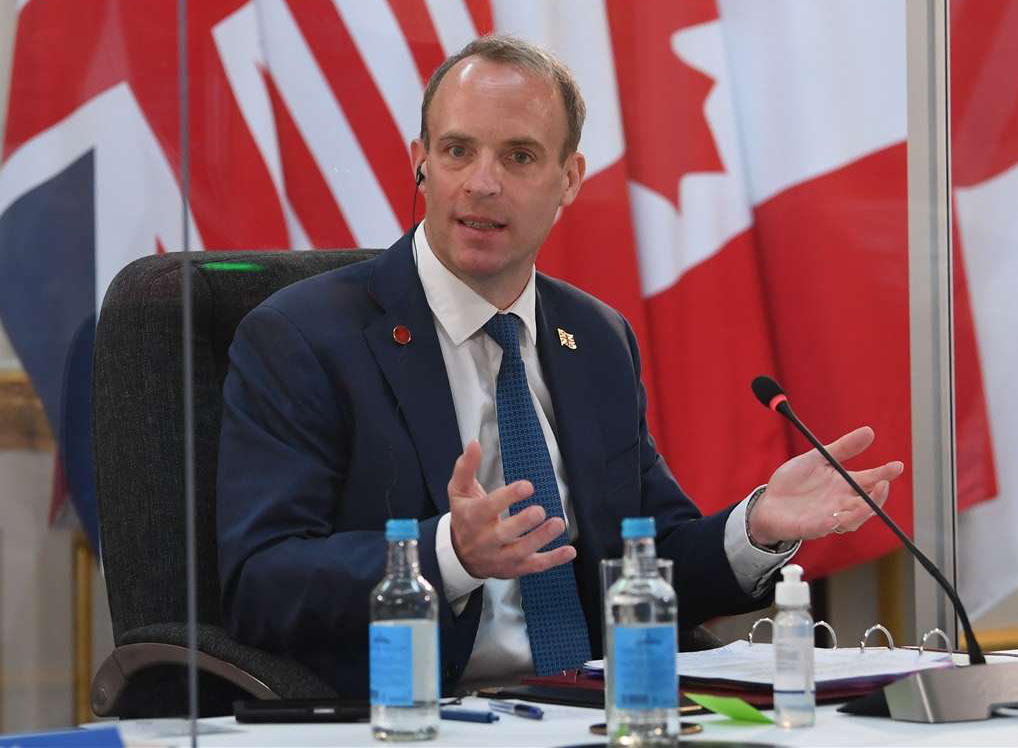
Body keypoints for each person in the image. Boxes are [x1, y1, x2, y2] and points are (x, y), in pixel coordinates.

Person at [216, 37, 903, 697]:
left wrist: (757, 528)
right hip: (418, 716)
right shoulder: (306, 337)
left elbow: (650, 561)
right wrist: (448, 555)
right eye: (458, 151)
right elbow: (259, 582)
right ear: (420, 162)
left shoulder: (595, 338)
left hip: (592, 711)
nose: (481, 184)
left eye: (518, 156)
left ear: (568, 179)